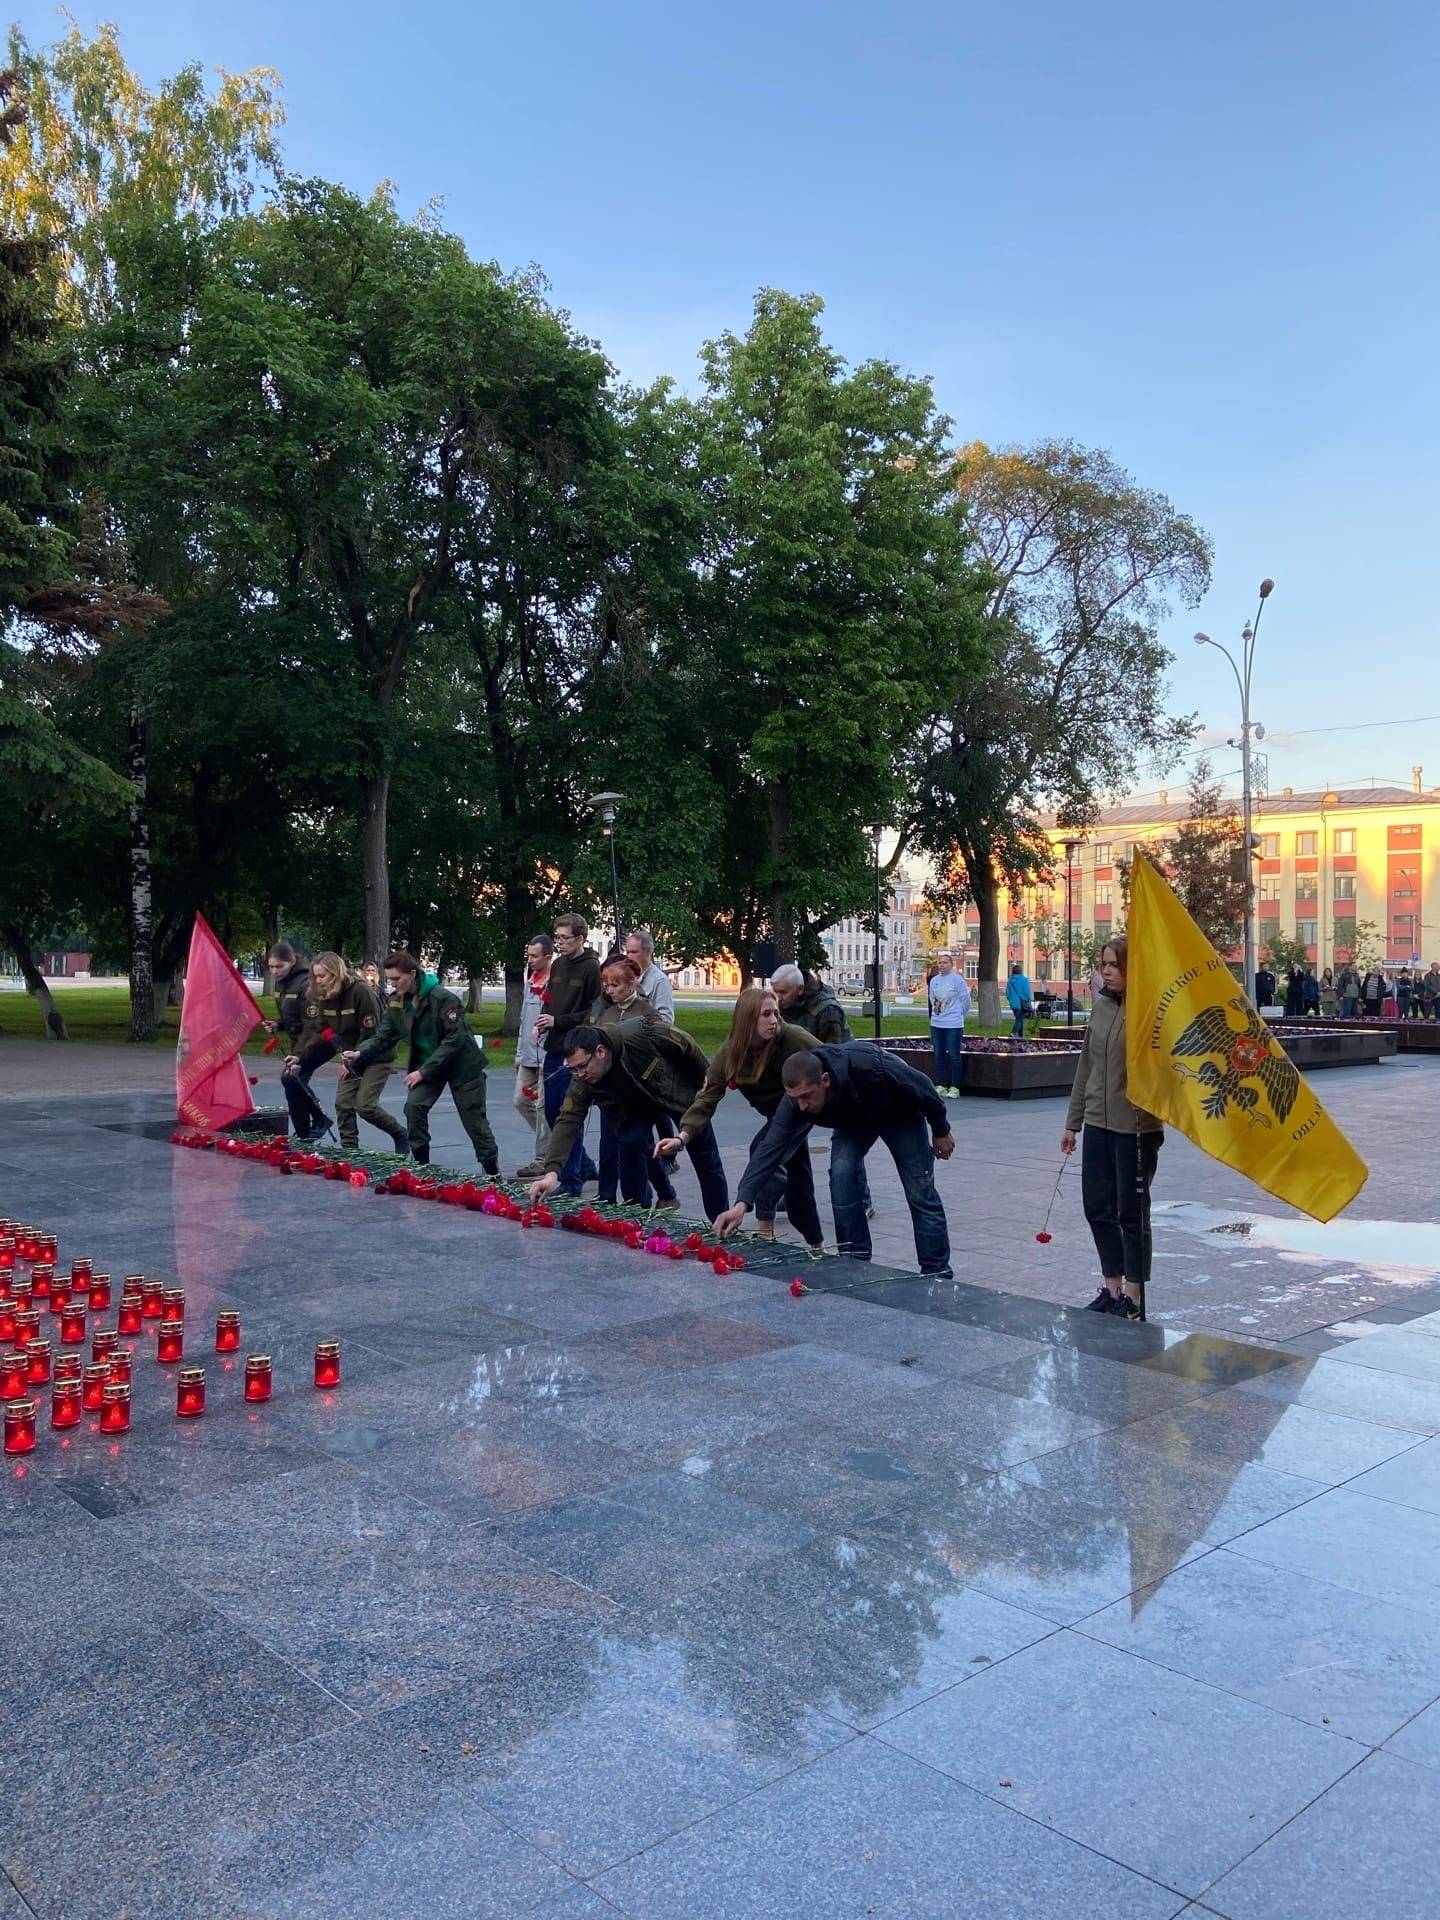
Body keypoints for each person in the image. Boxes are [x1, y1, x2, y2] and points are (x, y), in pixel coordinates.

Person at [713, 1042, 955, 1277]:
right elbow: (769, 1149)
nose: (802, 1106)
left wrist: (941, 1130)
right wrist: (742, 1203)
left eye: (807, 1096)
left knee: (919, 1189)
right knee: (841, 1176)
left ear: (825, 1080)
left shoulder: (869, 1066)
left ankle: (936, 1271)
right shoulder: (795, 1103)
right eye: (795, 1098)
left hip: (898, 1111)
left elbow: (922, 1086)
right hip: (853, 1120)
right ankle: (854, 1262)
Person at [656, 986, 825, 1249]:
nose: (773, 1020)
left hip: (800, 1109)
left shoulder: (792, 1037)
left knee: (763, 1151)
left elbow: (831, 1058)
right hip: (775, 1116)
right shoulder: (731, 1051)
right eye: (766, 1014)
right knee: (799, 1188)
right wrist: (681, 1138)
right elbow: (707, 1098)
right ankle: (817, 1245)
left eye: (776, 1013)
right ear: (748, 1019)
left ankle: (764, 1229)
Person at [527, 1020, 728, 1219]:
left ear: (600, 1052)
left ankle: (721, 1222)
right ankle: (636, 1218)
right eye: (574, 1069)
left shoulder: (643, 1032)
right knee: (630, 1143)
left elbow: (685, 1043)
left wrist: (707, 1081)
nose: (580, 1074)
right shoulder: (583, 1080)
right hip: (634, 1107)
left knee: (706, 1160)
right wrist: (552, 1174)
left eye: (582, 1066)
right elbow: (567, 1120)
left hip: (677, 1093)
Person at [1061, 937, 1161, 1322]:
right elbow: (1085, 1066)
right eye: (1103, 964)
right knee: (1096, 1208)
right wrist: (1073, 1123)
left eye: (1115, 965)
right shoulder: (1101, 1008)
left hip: (1135, 1128)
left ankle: (1134, 1297)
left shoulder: (1149, 1012)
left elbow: (1166, 1069)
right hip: (1098, 1124)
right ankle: (1113, 1288)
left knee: (1131, 1212)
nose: (1107, 971)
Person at [345, 950, 499, 1172]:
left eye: (397, 978)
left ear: (413, 974)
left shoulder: (443, 998)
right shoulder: (396, 1002)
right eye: (389, 979)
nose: (393, 983)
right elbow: (383, 1037)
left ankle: (492, 1171)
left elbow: (454, 1040)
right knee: (414, 1107)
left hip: (462, 1065)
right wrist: (360, 1053)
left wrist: (423, 1071)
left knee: (474, 1120)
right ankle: (421, 1167)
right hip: (428, 1066)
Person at [295, 952, 408, 1153]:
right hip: (351, 1057)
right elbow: (319, 1030)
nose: (318, 980)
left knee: (365, 1106)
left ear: (335, 973)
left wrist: (355, 1056)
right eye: (316, 976)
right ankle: (350, 1153)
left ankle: (399, 1133)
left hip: (377, 1055)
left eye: (322, 976)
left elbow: (373, 1032)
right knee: (343, 1104)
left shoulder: (360, 991)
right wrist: (300, 1056)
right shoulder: (324, 996)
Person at [592, 954, 678, 1209]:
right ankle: (607, 1197)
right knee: (611, 1145)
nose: (610, 990)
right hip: (611, 1091)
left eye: (615, 985)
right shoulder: (607, 1012)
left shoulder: (646, 1012)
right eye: (607, 985)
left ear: (631, 984)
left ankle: (639, 1202)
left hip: (640, 1092)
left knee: (635, 1143)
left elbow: (661, 1050)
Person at [538, 913, 603, 1195]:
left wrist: (559, 1021)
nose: (560, 943)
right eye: (558, 937)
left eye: (565, 938)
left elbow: (594, 1011)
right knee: (552, 1112)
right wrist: (542, 1021)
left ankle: (571, 1179)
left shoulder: (591, 968)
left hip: (574, 1049)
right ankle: (584, 1164)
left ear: (580, 938)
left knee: (568, 1113)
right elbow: (549, 998)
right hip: (554, 1045)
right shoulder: (558, 964)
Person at [265, 942, 331, 1141]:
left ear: (292, 961)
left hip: (319, 1041)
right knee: (292, 1087)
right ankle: (304, 1136)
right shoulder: (281, 983)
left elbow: (312, 1025)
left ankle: (320, 1118)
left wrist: (299, 1055)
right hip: (299, 1042)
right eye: (271, 966)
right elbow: (291, 1015)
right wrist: (278, 1025)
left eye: (280, 966)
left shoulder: (306, 984)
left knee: (291, 1079)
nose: (275, 971)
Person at [513, 934, 554, 1181]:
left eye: (534, 956)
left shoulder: (554, 983)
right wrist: (519, 1053)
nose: (529, 960)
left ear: (548, 957)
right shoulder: (530, 980)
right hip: (528, 1054)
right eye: (528, 955)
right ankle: (560, 1147)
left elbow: (549, 1024)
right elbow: (524, 1020)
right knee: (520, 1101)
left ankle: (543, 1160)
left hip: (544, 1056)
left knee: (542, 1108)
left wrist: (545, 1059)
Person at [770, 964, 851, 1043]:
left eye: (783, 992)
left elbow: (832, 1049)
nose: (778, 998)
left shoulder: (828, 1011)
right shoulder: (782, 1006)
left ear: (800, 989)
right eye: (775, 991)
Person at [927, 950, 970, 1095]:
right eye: (940, 962)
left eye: (945, 962)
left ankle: (955, 1086)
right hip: (937, 1022)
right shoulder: (934, 980)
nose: (942, 965)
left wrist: (959, 1014)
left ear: (951, 964)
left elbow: (966, 1000)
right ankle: (941, 1084)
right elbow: (932, 998)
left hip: (953, 1024)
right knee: (938, 1055)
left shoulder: (957, 980)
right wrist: (936, 1013)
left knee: (954, 1055)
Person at [623, 929, 675, 1024]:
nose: (629, 956)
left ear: (648, 952)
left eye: (634, 952)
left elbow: (666, 1020)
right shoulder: (626, 976)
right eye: (627, 952)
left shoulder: (659, 980)